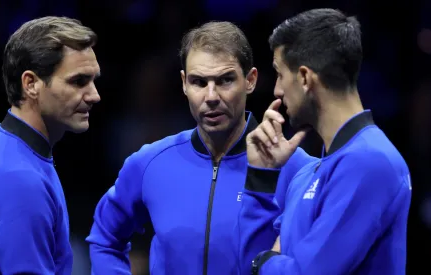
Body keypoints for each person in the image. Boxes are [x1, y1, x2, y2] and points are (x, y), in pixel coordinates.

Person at [86, 21, 285, 275]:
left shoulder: (293, 167)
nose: (211, 96)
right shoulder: (150, 162)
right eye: (199, 82)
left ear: (250, 80)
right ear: (184, 83)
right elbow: (105, 237)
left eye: (225, 80)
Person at [236, 8, 412, 275]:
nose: (277, 91)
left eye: (280, 74)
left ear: (305, 78)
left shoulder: (371, 162)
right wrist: (261, 177)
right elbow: (250, 265)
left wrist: (264, 263)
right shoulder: (307, 175)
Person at [0, 16, 100, 275]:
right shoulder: (18, 177)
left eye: (93, 80)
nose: (94, 95)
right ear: (31, 84)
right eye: (78, 81)